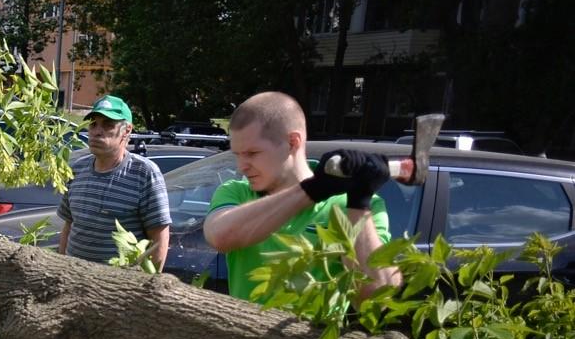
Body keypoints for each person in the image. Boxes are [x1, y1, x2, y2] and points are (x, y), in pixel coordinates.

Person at [203, 91, 401, 303]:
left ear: (293, 142)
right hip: (241, 334)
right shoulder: (237, 192)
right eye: (237, 154)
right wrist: (313, 190)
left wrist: (359, 201)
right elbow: (220, 237)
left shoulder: (350, 205)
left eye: (252, 153)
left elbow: (376, 293)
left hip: (312, 336)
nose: (242, 166)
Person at [57, 95, 171, 270]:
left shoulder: (144, 173)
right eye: (93, 124)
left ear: (126, 131)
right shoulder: (77, 169)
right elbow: (69, 225)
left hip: (118, 288)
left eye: (108, 125)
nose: (97, 131)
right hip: (74, 280)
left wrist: (149, 287)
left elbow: (159, 237)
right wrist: (60, 269)